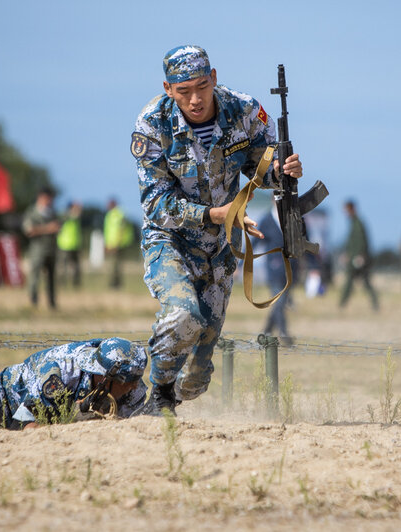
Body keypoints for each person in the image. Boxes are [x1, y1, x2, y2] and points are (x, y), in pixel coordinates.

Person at [129, 45, 303, 415]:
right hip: (170, 239)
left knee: (197, 376)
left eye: (202, 87)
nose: (195, 99)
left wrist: (282, 172)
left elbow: (263, 167)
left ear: (215, 79)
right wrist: (214, 213)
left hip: (221, 246)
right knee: (181, 315)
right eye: (184, 90)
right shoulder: (151, 125)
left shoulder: (245, 113)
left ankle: (174, 394)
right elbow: (156, 204)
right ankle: (156, 397)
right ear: (168, 89)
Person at [0, 338, 147, 429]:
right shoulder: (58, 373)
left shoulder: (135, 390)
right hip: (8, 399)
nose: (135, 387)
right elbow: (26, 424)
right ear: (104, 377)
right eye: (129, 382)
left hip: (59, 411)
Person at [256, 203, 294, 344]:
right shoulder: (267, 220)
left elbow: (304, 240)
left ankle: (266, 331)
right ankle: (283, 333)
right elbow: (255, 240)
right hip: (273, 269)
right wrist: (241, 264)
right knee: (279, 301)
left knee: (280, 302)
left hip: (290, 270)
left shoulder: (294, 218)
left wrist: (314, 265)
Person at [22, 187, 61, 308]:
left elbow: (58, 227)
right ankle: (33, 299)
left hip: (51, 249)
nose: (50, 201)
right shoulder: (32, 212)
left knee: (51, 278)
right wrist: (48, 228)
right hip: (37, 250)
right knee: (34, 276)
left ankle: (52, 302)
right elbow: (29, 230)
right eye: (48, 198)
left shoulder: (53, 213)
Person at [338, 200, 379, 311]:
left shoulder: (358, 223)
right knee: (352, 282)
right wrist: (346, 254)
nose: (345, 213)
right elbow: (351, 242)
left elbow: (363, 241)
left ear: (352, 209)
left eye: (346, 210)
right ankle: (342, 304)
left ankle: (375, 304)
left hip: (358, 259)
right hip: (353, 258)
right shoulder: (353, 223)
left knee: (364, 283)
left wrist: (361, 256)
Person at [104, 198, 134, 289]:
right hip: (111, 244)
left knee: (115, 265)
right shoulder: (109, 215)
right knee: (113, 265)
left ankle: (115, 283)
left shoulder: (119, 214)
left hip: (118, 244)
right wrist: (107, 244)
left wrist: (117, 242)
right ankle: (115, 283)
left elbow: (121, 229)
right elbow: (108, 231)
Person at [57, 201, 83, 288]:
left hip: (74, 245)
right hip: (64, 245)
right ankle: (61, 283)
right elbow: (72, 216)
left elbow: (78, 215)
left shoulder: (76, 217)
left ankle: (76, 284)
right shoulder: (65, 215)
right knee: (62, 266)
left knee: (76, 267)